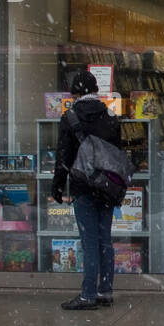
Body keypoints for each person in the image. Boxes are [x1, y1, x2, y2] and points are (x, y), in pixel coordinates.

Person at [52, 69, 123, 311]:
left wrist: (58, 185)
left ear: (75, 92)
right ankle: (105, 290)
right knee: (105, 240)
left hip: (82, 186)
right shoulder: (111, 116)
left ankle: (87, 295)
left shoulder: (70, 118)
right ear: (95, 90)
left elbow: (64, 156)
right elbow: (116, 154)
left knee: (89, 241)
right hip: (106, 187)